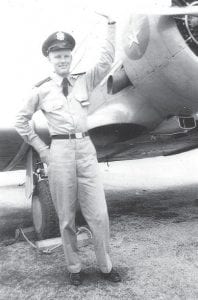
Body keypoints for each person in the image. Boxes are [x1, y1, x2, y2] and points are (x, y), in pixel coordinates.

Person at [15, 13, 121, 286]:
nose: (62, 60)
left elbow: (106, 60)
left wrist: (110, 27)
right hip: (59, 152)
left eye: (66, 55)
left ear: (71, 57)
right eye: (57, 56)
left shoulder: (84, 80)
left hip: (86, 149)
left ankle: (106, 267)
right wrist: (40, 148)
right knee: (65, 217)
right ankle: (74, 268)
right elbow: (21, 120)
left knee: (99, 213)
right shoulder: (41, 90)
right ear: (49, 59)